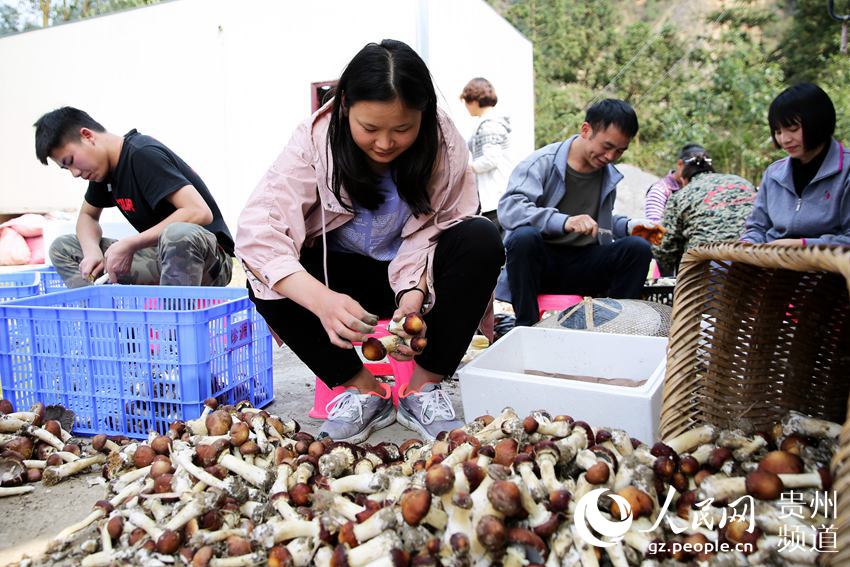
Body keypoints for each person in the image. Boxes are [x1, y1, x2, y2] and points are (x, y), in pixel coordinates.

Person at [236, 40, 504, 443]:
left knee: (482, 237)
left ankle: (421, 387)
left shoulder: (444, 145)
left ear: (425, 114)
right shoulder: (315, 141)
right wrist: (321, 300)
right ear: (345, 106)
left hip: (415, 276)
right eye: (370, 128)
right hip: (337, 279)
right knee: (265, 278)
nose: (384, 143)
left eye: (402, 129)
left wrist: (412, 295)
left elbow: (441, 228)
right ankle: (363, 390)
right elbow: (259, 234)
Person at [496, 99, 659, 327]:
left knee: (637, 249)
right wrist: (564, 222)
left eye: (620, 151)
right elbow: (510, 210)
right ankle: (527, 326)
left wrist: (630, 227)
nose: (611, 157)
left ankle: (618, 328)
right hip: (541, 265)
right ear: (586, 130)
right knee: (523, 238)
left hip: (583, 263)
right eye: (607, 146)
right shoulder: (542, 162)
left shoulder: (607, 175)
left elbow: (598, 224)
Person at [34, 107, 234, 288]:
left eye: (71, 161)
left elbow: (199, 211)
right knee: (63, 248)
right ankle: (102, 321)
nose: (74, 173)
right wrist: (92, 251)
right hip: (159, 256)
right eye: (66, 168)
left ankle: (170, 324)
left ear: (87, 136)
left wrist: (130, 244)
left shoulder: (142, 154)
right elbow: (87, 216)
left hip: (208, 260)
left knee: (177, 233)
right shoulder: (102, 171)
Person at [742, 83, 850, 246]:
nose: (785, 139)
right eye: (778, 132)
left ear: (818, 122)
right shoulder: (773, 174)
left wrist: (802, 245)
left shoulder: (846, 170)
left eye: (793, 129)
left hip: (828, 267)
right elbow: (757, 228)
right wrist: (746, 245)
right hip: (771, 263)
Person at [653, 152, 756, 274]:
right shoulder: (742, 182)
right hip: (754, 261)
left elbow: (664, 249)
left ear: (684, 180)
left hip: (705, 271)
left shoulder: (682, 194)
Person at [460, 78, 513, 227]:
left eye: (466, 101)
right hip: (495, 196)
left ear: (474, 99)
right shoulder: (491, 121)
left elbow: (491, 159)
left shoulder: (489, 125)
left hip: (495, 195)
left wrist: (468, 168)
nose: (465, 106)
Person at [644, 143, 706, 222]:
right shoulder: (660, 190)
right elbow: (654, 225)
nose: (694, 176)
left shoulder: (702, 188)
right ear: (680, 164)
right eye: (692, 171)